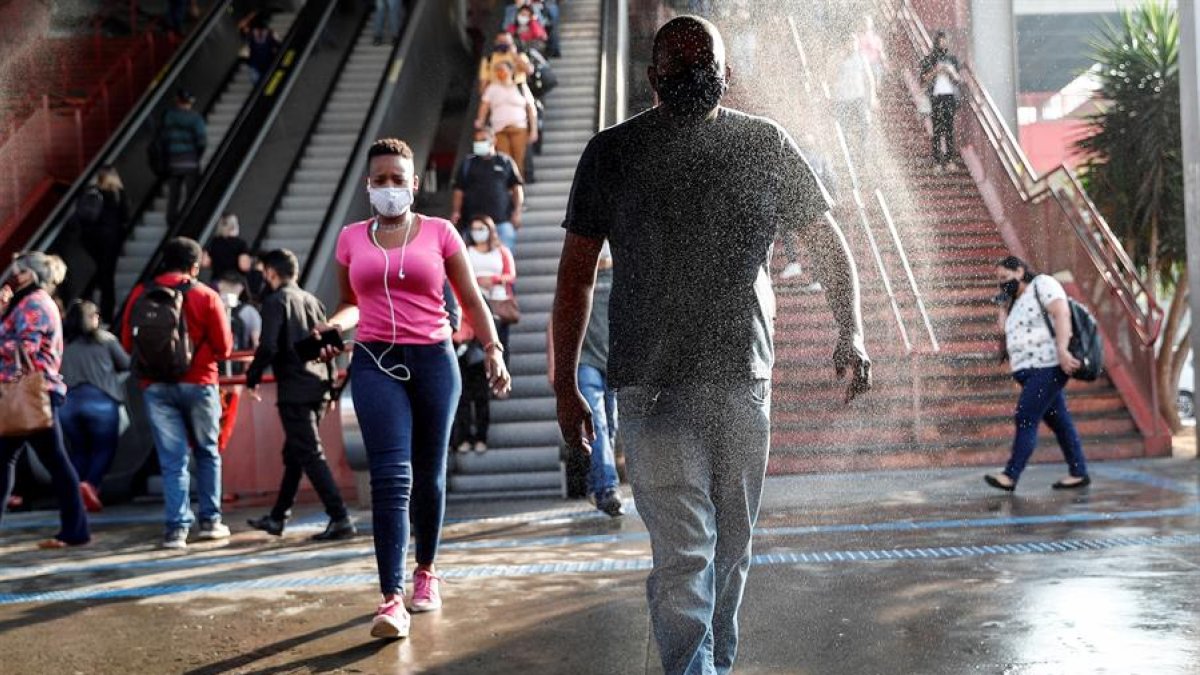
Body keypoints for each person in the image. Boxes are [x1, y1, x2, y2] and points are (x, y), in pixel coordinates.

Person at [552, 16, 871, 675]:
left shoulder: (765, 145)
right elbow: (576, 272)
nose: (692, 72)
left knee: (731, 548)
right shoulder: (611, 153)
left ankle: (712, 664)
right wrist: (564, 384)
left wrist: (852, 328)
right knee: (686, 553)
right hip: (650, 381)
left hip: (742, 377)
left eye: (705, 62)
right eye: (678, 61)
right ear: (651, 77)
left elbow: (826, 241)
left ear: (729, 74)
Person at [320, 138, 512, 640]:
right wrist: (330, 328)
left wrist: (492, 348)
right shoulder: (350, 239)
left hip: (433, 361)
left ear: (413, 184)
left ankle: (425, 571)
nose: (388, 188)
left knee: (429, 474)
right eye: (379, 180)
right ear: (368, 185)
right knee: (391, 476)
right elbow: (350, 302)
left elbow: (470, 298)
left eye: (396, 180)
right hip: (374, 360)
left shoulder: (441, 233)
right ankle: (389, 599)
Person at [121, 237, 234, 549]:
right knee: (207, 452)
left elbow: (128, 344)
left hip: (155, 387)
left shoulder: (140, 294)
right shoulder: (206, 296)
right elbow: (224, 349)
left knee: (173, 460)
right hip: (200, 383)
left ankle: (176, 530)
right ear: (194, 266)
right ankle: (210, 522)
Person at [244, 249, 356, 541]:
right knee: (295, 453)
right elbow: (329, 347)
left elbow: (268, 346)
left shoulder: (275, 301)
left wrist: (252, 378)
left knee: (308, 453)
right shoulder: (313, 300)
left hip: (294, 389)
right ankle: (278, 517)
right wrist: (332, 387)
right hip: (318, 387)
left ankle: (340, 517)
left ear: (270, 272)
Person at [0, 252, 91, 549]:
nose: (15, 275)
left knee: (52, 461)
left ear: (31, 274)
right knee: (37, 460)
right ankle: (75, 529)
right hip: (30, 393)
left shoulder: (34, 303)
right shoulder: (28, 302)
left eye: (19, 270)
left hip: (30, 393)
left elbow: (25, 347)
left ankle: (76, 529)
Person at [985, 256, 1090, 492]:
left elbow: (1061, 313)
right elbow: (1002, 333)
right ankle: (1079, 472)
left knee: (1025, 416)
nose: (1002, 283)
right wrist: (1002, 307)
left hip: (1048, 367)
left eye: (1005, 277)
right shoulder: (1014, 301)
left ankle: (1010, 475)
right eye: (998, 280)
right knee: (1060, 422)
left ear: (1020, 271)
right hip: (1029, 373)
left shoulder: (1042, 284)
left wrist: (1062, 350)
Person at [546, 243, 624, 517]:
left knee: (610, 428)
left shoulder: (622, 276)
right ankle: (608, 488)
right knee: (598, 424)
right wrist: (555, 365)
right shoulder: (579, 276)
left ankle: (595, 486)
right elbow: (555, 319)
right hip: (586, 362)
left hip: (614, 362)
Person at [59, 300, 131, 513]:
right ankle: (90, 485)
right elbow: (126, 364)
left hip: (67, 404)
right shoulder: (106, 340)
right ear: (91, 318)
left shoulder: (61, 343)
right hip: (101, 402)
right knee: (104, 448)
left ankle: (75, 496)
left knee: (79, 449)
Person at [453, 216, 516, 454]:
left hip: (482, 336)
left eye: (482, 229)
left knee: (479, 394)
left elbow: (510, 275)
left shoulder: (501, 251)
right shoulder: (465, 255)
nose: (478, 232)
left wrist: (491, 280)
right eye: (474, 228)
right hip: (459, 344)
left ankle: (480, 436)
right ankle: (462, 438)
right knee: (461, 397)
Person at [780, 132, 837, 292]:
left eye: (809, 135)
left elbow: (830, 178)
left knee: (814, 242)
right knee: (788, 231)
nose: (806, 138)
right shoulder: (797, 156)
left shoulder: (820, 157)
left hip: (814, 206)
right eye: (804, 136)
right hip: (801, 204)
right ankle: (794, 263)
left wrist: (833, 198)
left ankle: (817, 277)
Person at [451, 127, 525, 252]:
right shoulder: (468, 163)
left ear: (493, 141)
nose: (480, 144)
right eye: (478, 141)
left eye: (484, 140)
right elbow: (459, 190)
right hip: (473, 223)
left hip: (502, 222)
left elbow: (517, 188)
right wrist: (456, 211)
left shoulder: (505, 161)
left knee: (504, 258)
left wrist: (517, 211)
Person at [77, 165, 130, 322]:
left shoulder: (93, 192)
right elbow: (126, 216)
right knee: (107, 277)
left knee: (101, 273)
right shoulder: (119, 194)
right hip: (112, 240)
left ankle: (83, 307)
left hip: (92, 239)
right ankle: (107, 316)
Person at [476, 61, 539, 179]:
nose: (500, 73)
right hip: (499, 129)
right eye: (498, 71)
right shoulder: (492, 89)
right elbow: (484, 106)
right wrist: (480, 120)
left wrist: (534, 130)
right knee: (504, 158)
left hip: (519, 128)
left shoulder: (521, 87)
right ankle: (507, 187)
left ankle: (518, 186)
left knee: (519, 159)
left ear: (510, 71)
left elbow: (531, 109)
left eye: (502, 70)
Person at [162, 89, 207, 226]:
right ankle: (188, 219)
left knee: (174, 193)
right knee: (191, 192)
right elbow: (201, 141)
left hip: (173, 162)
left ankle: (171, 219)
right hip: (190, 161)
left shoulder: (169, 117)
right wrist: (197, 155)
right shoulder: (195, 118)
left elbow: (164, 139)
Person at [831, 35, 876, 167]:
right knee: (842, 126)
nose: (853, 45)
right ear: (845, 44)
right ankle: (846, 153)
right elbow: (830, 75)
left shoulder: (861, 58)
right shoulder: (839, 58)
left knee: (865, 123)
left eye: (855, 42)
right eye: (850, 42)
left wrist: (872, 96)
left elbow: (869, 77)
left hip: (858, 97)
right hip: (842, 98)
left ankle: (862, 152)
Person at [920, 30, 962, 172]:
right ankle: (937, 161)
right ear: (936, 42)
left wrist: (950, 71)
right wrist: (936, 71)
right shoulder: (930, 59)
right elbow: (923, 79)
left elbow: (958, 79)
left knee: (949, 129)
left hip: (949, 97)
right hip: (936, 98)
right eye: (941, 40)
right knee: (937, 130)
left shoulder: (952, 59)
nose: (943, 43)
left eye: (945, 40)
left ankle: (950, 160)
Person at [205, 213, 252, 284]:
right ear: (234, 226)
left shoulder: (214, 242)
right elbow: (244, 266)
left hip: (216, 280)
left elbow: (205, 262)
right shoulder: (240, 243)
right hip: (234, 282)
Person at [241, 13, 281, 85]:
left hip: (268, 63)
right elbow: (241, 28)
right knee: (258, 82)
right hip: (256, 64)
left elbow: (278, 45)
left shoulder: (270, 33)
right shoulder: (250, 35)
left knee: (269, 82)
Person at [857, 15, 887, 85]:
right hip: (866, 63)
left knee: (878, 74)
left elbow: (879, 49)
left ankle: (878, 84)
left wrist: (884, 61)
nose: (865, 25)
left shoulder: (874, 37)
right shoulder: (860, 37)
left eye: (867, 23)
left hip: (874, 62)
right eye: (863, 23)